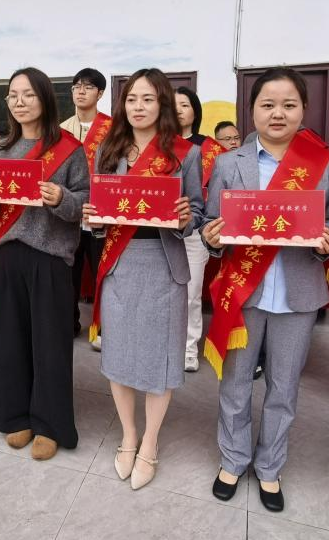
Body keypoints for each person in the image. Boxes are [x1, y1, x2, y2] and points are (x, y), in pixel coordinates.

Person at [200, 68, 329, 511]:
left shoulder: (327, 163)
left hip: (297, 293)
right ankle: (233, 460)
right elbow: (210, 221)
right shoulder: (229, 163)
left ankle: (269, 467)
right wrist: (212, 237)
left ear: (304, 110)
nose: (277, 113)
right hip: (242, 293)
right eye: (267, 104)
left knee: (284, 387)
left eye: (288, 105)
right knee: (235, 382)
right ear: (252, 111)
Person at [0, 68, 88, 459]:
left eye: (28, 94)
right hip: (7, 254)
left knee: (50, 344)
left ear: (45, 98)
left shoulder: (69, 148)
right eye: (13, 95)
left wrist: (61, 198)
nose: (19, 102)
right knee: (10, 339)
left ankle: (50, 424)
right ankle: (15, 416)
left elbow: (85, 202)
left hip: (50, 257)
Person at [83, 68, 203, 490]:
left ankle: (150, 441)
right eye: (132, 99)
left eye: (148, 99)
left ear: (163, 103)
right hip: (120, 262)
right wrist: (94, 221)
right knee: (119, 355)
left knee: (160, 357)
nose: (138, 107)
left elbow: (197, 212)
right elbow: (98, 211)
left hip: (164, 264)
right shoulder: (108, 149)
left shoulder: (185, 154)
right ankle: (128, 435)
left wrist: (186, 219)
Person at [175, 85, 224, 373]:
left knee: (191, 292)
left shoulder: (210, 148)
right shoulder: (154, 146)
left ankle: (189, 348)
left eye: (185, 105)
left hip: (194, 230)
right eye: (172, 105)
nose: (178, 110)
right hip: (160, 231)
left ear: (195, 111)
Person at [61, 67, 111, 340]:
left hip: (101, 215)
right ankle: (69, 322)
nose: (81, 91)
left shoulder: (113, 129)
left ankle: (103, 325)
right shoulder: (61, 129)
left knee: (104, 271)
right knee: (68, 272)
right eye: (76, 86)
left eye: (88, 87)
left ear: (100, 93)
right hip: (70, 212)